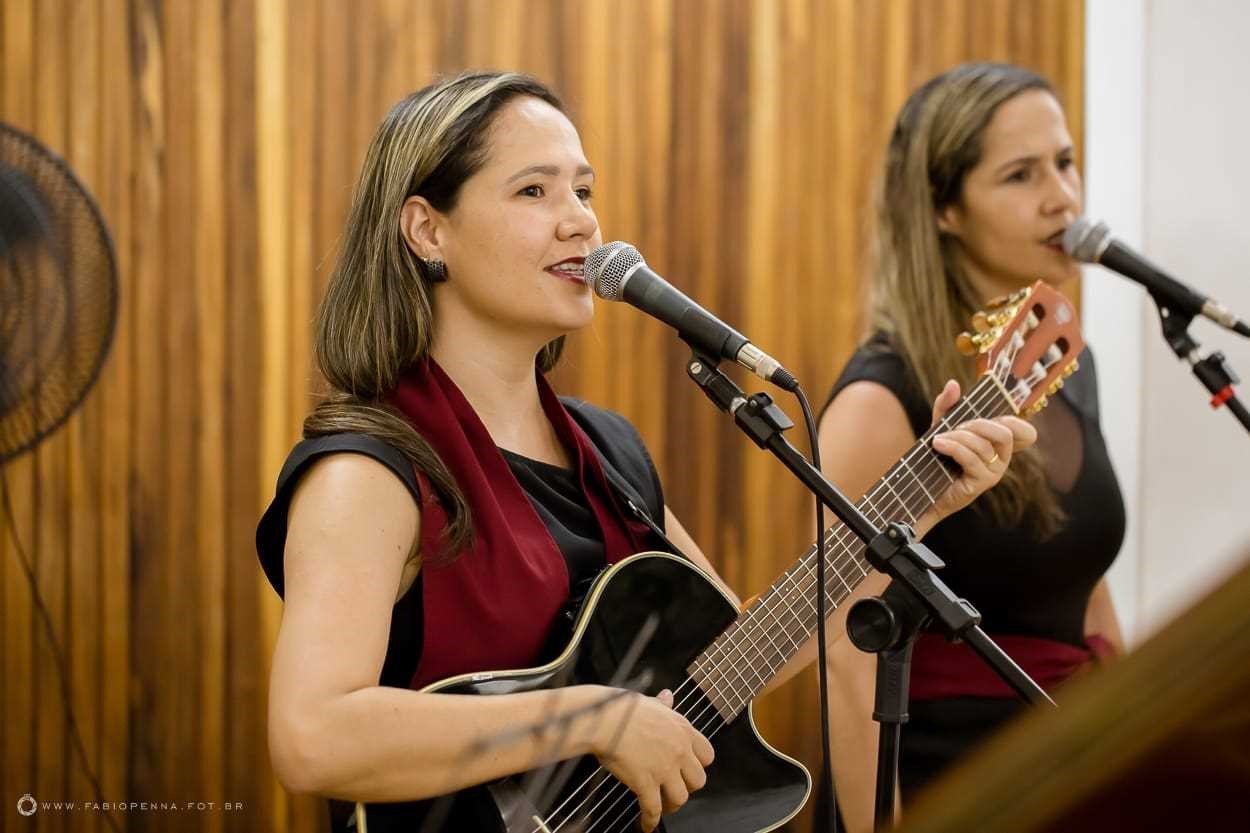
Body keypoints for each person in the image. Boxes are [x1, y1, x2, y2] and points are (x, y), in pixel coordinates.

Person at [254, 70, 1032, 833]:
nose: (582, 224)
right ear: (428, 229)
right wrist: (591, 717)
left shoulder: (610, 452)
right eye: (535, 191)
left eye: (583, 191)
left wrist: (920, 504)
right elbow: (313, 736)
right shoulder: (368, 471)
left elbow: (734, 660)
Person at [817, 62, 1127, 832]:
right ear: (945, 209)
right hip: (946, 782)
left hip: (1070, 758)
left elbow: (1083, 576)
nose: (1063, 195)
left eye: (1065, 160)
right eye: (1021, 175)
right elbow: (844, 656)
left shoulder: (1063, 366)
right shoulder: (879, 399)